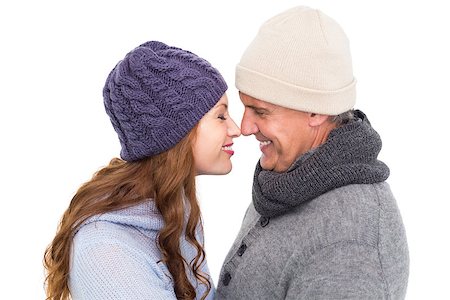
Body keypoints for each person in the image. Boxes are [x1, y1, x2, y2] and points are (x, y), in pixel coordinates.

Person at [216, 6, 409, 300]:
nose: (244, 127)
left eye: (260, 111)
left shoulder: (352, 245)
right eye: (244, 107)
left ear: (316, 111)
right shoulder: (289, 177)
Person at [43, 41, 240, 300]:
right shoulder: (105, 252)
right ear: (177, 133)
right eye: (221, 116)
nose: (236, 129)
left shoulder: (174, 207)